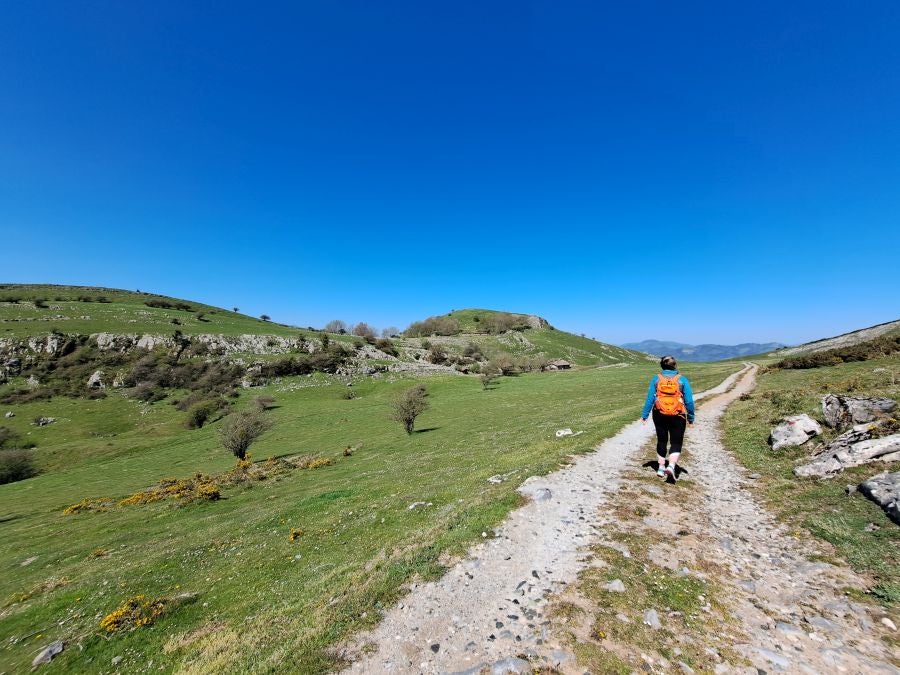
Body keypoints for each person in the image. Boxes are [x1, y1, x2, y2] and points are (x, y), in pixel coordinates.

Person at [641, 356, 695, 480]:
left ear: (662, 366)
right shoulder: (682, 379)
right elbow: (689, 401)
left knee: (662, 440)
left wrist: (645, 415)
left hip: (659, 414)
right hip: (678, 415)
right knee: (676, 442)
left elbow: (650, 399)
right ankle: (671, 466)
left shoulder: (656, 379)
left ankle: (661, 468)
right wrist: (691, 418)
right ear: (675, 365)